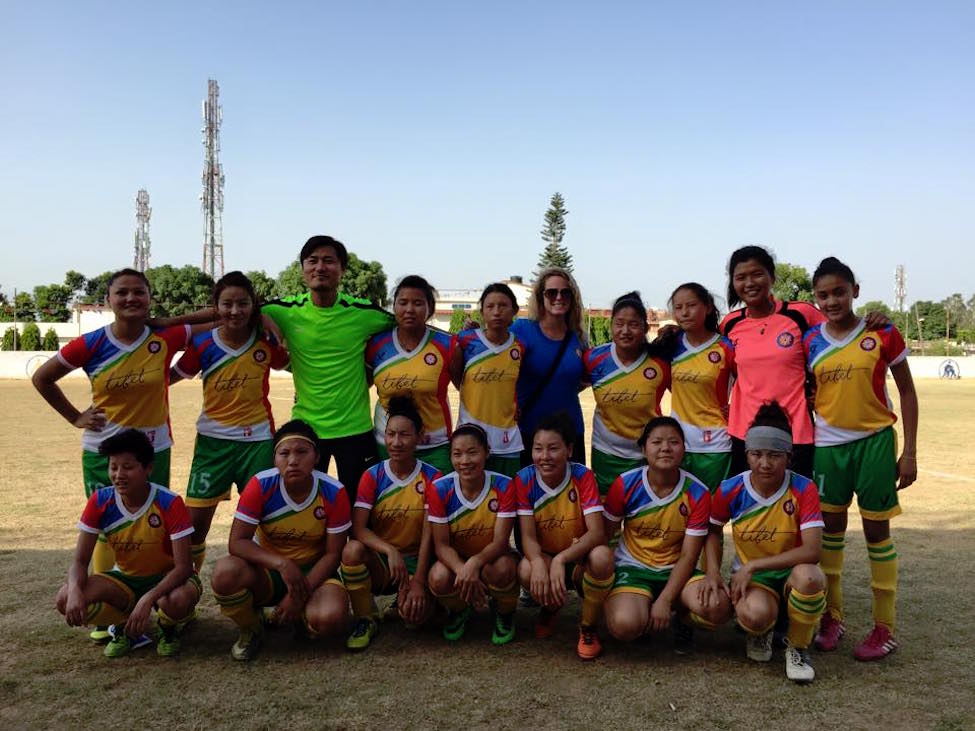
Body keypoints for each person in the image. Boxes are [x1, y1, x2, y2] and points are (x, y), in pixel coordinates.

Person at [33, 268, 192, 640]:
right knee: (108, 528)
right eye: (122, 293)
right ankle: (113, 616)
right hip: (103, 452)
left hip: (154, 449)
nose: (131, 299)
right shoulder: (91, 343)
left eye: (139, 292)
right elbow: (42, 377)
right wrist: (75, 416)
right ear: (108, 301)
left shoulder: (164, 337)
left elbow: (220, 315)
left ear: (150, 299)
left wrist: (168, 320)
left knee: (158, 527)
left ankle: (166, 604)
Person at [804, 257, 918, 661]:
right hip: (828, 448)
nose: (832, 300)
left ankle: (884, 627)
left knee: (876, 534)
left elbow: (906, 392)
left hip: (874, 443)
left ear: (855, 289)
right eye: (823, 294)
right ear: (815, 298)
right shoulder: (810, 341)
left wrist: (909, 452)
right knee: (831, 533)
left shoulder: (881, 331)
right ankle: (832, 618)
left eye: (839, 291)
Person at [170, 271, 289, 573]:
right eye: (227, 304)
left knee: (268, 520)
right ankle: (186, 588)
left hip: (259, 443)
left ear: (253, 306)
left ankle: (263, 590)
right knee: (194, 528)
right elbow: (169, 377)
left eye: (242, 303)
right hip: (213, 443)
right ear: (216, 307)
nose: (235, 311)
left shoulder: (266, 341)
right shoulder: (202, 343)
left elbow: (295, 364)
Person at [702, 402, 826, 683]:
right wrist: (712, 570)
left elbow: (812, 550)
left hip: (788, 572)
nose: (765, 463)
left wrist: (753, 565)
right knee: (755, 616)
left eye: (774, 455)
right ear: (747, 454)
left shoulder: (803, 488)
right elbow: (712, 531)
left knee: (810, 577)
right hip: (756, 580)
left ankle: (798, 647)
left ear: (789, 455)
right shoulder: (730, 489)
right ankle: (761, 632)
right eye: (757, 454)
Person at [262, 236, 395, 498]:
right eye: (312, 261)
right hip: (307, 430)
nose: (320, 267)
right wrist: (261, 315)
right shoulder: (285, 310)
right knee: (306, 505)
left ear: (342, 270)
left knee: (361, 506)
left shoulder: (364, 313)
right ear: (303, 269)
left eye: (329, 261)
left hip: (356, 430)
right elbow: (234, 307)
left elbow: (408, 321)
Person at [210, 420, 351, 661]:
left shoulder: (333, 491)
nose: (293, 460)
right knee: (224, 572)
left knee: (330, 618)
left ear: (316, 456)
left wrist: (299, 594)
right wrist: (282, 564)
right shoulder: (261, 485)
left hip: (314, 573)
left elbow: (333, 554)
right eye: (284, 453)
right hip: (269, 572)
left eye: (301, 452)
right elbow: (238, 542)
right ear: (274, 459)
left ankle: (301, 618)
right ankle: (251, 628)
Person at [56, 430, 201, 658]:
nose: (118, 475)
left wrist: (148, 598)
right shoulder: (100, 501)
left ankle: (168, 627)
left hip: (170, 579)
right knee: (64, 598)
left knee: (177, 601)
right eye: (113, 467)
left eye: (128, 467)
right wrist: (74, 590)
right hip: (126, 579)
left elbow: (183, 567)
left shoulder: (169, 502)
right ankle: (123, 627)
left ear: (148, 468)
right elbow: (80, 560)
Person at [602, 417, 717, 649]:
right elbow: (604, 536)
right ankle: (638, 611)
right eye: (656, 442)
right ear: (644, 449)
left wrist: (665, 600)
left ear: (684, 449)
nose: (665, 448)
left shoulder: (698, 493)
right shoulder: (625, 484)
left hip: (676, 571)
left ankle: (682, 618)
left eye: (673, 442)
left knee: (717, 607)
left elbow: (688, 556)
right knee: (625, 625)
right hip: (633, 569)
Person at [340, 396, 442, 651]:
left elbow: (432, 535)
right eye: (391, 434)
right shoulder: (372, 476)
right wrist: (389, 550)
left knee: (414, 618)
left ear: (419, 437)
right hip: (385, 562)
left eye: (404, 435)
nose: (396, 442)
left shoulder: (433, 477)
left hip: (419, 560)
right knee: (352, 551)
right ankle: (366, 617)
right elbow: (359, 528)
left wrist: (418, 580)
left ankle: (417, 597)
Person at [719, 246, 824, 479]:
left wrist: (819, 388)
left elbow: (839, 338)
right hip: (745, 436)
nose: (749, 283)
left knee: (794, 510)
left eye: (757, 274)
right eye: (741, 277)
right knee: (747, 510)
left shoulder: (801, 314)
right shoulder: (729, 324)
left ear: (772, 277)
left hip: (794, 435)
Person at [514, 413, 613, 659]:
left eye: (553, 448)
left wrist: (562, 559)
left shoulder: (582, 476)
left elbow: (597, 532)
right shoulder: (524, 479)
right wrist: (539, 561)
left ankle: (588, 627)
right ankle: (551, 605)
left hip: (578, 559)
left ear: (569, 450)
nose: (544, 457)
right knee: (526, 568)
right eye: (538, 449)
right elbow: (527, 536)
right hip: (547, 558)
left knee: (602, 557)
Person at [425, 424, 519, 645]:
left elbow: (500, 542)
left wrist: (474, 564)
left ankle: (504, 612)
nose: (464, 461)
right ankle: (460, 609)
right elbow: (441, 546)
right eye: (457, 454)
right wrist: (463, 570)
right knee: (438, 577)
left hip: (491, 559)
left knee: (503, 568)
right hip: (457, 561)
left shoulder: (504, 486)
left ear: (487, 451)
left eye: (472, 452)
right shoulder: (439, 488)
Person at [366, 275, 455, 474]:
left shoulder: (448, 345)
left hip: (435, 445)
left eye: (417, 303)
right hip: (388, 444)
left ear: (429, 308)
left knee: (438, 503)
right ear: (394, 306)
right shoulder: (375, 344)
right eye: (403, 302)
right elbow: (360, 386)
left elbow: (468, 389)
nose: (409, 309)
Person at [584, 292, 671, 494]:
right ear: (611, 325)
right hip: (605, 453)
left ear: (645, 328)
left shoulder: (660, 363)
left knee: (641, 518)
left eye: (633, 324)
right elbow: (568, 387)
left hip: (646, 455)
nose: (625, 330)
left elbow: (689, 392)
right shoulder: (593, 359)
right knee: (608, 519)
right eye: (619, 323)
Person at [511, 267, 587, 465]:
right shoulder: (521, 330)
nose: (559, 297)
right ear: (540, 297)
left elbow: (584, 378)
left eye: (565, 292)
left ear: (573, 297)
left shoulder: (578, 338)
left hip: (569, 434)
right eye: (551, 292)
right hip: (529, 433)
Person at [451, 283, 525, 477]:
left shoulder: (520, 346)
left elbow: (518, 384)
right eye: (490, 306)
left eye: (503, 305)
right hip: (471, 438)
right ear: (482, 311)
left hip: (508, 441)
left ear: (514, 310)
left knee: (506, 499)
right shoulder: (465, 342)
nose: (497, 312)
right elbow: (457, 379)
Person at [667, 283, 735, 491]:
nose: (684, 313)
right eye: (678, 308)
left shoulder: (726, 347)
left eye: (691, 305)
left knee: (712, 515)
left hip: (715, 445)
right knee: (680, 511)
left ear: (707, 308)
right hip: (678, 443)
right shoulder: (669, 344)